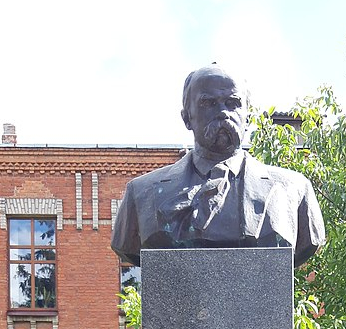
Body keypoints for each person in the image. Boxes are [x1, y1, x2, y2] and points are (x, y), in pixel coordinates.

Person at [111, 65, 325, 268]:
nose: (223, 112)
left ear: (248, 117)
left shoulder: (294, 190)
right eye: (208, 103)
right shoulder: (141, 194)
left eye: (233, 103)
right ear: (187, 117)